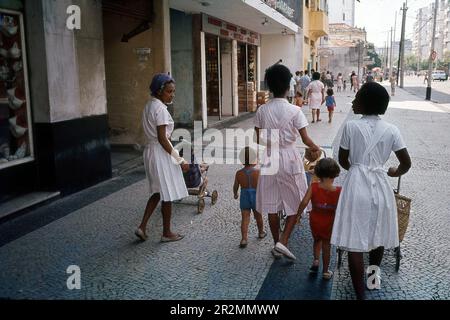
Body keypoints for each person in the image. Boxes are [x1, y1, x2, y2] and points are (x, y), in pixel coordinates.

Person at [331, 82, 412, 300]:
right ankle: (373, 279)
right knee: (379, 233)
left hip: (356, 185)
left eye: (356, 97)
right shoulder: (392, 130)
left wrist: (358, 170)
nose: (353, 101)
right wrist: (393, 172)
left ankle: (360, 295)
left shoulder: (350, 127)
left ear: (365, 102)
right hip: (381, 184)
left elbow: (342, 160)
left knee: (354, 241)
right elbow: (406, 163)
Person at [255, 64, 321, 260]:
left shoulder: (262, 110)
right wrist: (316, 149)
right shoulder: (295, 110)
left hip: (269, 158)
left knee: (271, 203)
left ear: (270, 86)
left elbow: (258, 137)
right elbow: (306, 140)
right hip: (290, 158)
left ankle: (277, 243)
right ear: (288, 86)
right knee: (298, 201)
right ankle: (283, 241)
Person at [135, 73, 189, 243]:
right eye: (169, 91)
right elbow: (163, 138)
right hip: (160, 153)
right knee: (167, 193)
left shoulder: (149, 105)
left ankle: (142, 227)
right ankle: (166, 233)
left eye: (173, 91)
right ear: (159, 92)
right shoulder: (160, 109)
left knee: (158, 192)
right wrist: (179, 159)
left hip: (151, 151)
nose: (172, 94)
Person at [297, 158, 342, 280]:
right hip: (329, 222)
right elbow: (342, 209)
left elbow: (304, 202)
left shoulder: (314, 187)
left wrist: (298, 216)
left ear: (318, 172)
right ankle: (326, 271)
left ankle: (316, 261)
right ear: (335, 173)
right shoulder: (338, 191)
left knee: (317, 240)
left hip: (315, 221)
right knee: (326, 246)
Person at [233, 147, 266, 248]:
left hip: (244, 197)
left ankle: (243, 239)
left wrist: (235, 193)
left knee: (245, 219)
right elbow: (262, 186)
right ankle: (261, 232)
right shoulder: (258, 172)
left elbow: (235, 186)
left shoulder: (239, 173)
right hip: (256, 197)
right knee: (258, 217)